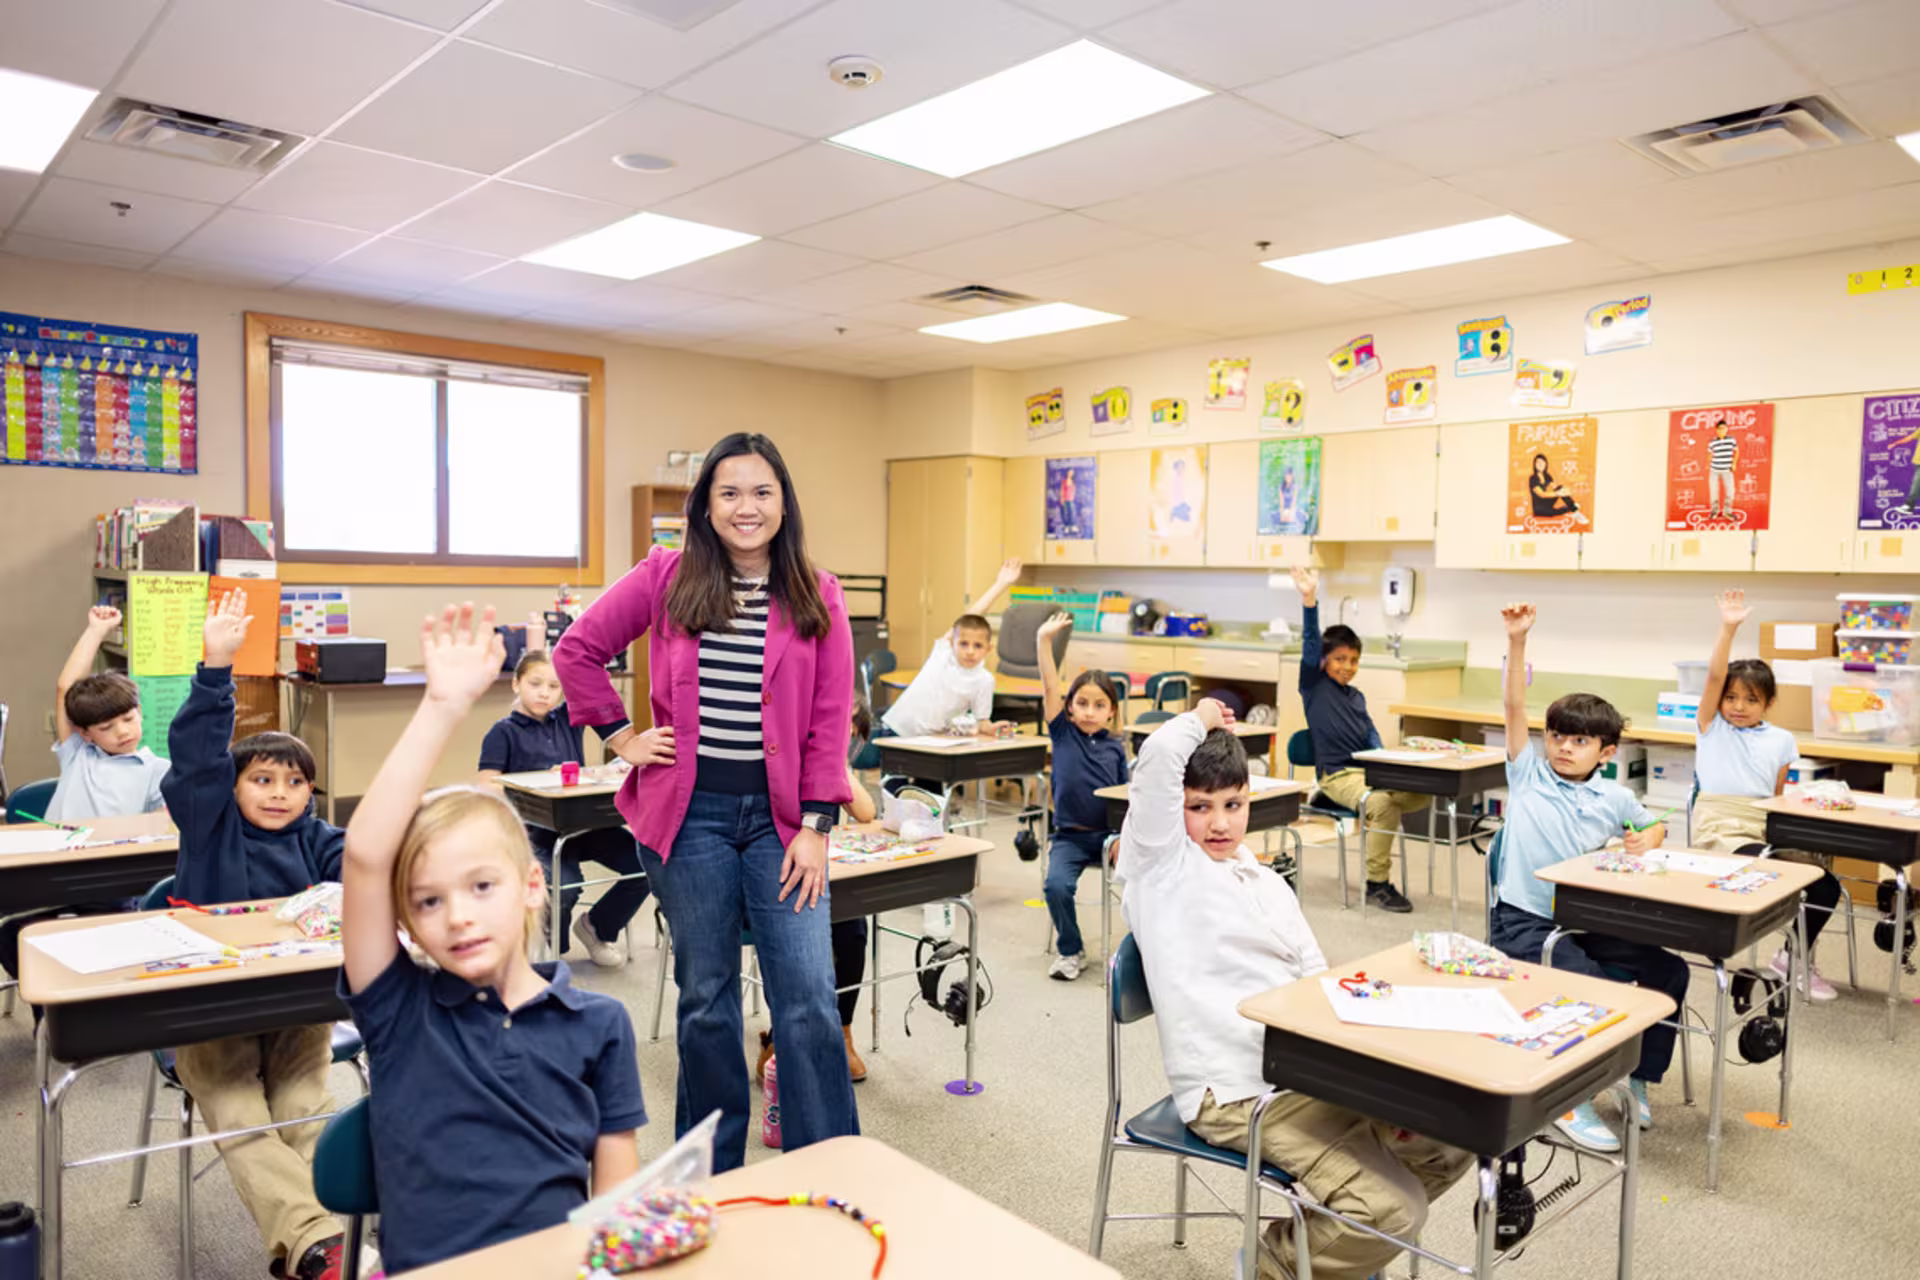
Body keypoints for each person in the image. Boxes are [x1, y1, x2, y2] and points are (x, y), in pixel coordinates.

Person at [551, 431, 858, 1171]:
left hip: (784, 826)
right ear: (706, 504)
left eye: (762, 492)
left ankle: (831, 1168)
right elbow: (576, 650)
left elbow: (828, 717)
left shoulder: (819, 593)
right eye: (729, 493)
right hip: (690, 823)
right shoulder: (666, 576)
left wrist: (817, 824)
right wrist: (621, 736)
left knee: (809, 999)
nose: (746, 507)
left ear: (784, 502)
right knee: (706, 1000)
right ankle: (710, 1175)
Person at [341, 603, 643, 1276]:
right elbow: (364, 856)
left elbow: (615, 1206)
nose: (457, 916)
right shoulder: (398, 1010)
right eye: (428, 900)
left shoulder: (601, 1025)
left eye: (482, 887)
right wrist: (442, 708)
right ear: (406, 919)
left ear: (533, 886)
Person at [1122, 699, 1469, 1280]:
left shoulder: (1259, 875)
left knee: (1452, 1137)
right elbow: (1158, 758)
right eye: (1198, 808)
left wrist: (1374, 1079)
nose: (1219, 823)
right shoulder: (1160, 866)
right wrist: (1204, 714)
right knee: (1393, 1212)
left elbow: (1314, 976)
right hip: (1232, 1091)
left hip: (1301, 1069)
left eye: (1232, 805)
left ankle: (1332, 1233)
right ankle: (1275, 1262)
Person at [162, 588, 348, 1280]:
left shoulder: (318, 836)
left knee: (304, 1104)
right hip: (212, 1008)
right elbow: (198, 760)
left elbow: (362, 871)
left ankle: (325, 1240)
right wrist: (216, 668)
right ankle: (318, 1243)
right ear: (232, 789)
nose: (278, 792)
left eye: (294, 782)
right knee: (240, 1107)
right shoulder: (209, 827)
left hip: (297, 1006)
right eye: (261, 779)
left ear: (310, 792)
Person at [1490, 602, 1692, 1154]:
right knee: (1591, 989)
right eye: (1556, 735)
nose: (1561, 746)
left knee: (1669, 973)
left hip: (1585, 919)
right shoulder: (1527, 774)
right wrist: (1517, 642)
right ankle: (1569, 1099)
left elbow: (1653, 826)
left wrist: (1647, 838)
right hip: (1523, 923)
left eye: (1577, 741)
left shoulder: (1615, 795)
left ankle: (1637, 1078)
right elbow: (1512, 704)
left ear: (1606, 752)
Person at [1693, 589, 1844, 1001]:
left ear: (1769, 702)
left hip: (1762, 824)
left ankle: (1792, 957)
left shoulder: (1781, 740)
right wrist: (1729, 627)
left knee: (1824, 884)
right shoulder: (1712, 727)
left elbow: (1776, 796)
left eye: (1751, 699)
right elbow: (1711, 677)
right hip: (1720, 828)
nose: (1738, 706)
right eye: (1731, 697)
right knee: (1770, 872)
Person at [476, 616, 649, 968]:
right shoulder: (503, 732)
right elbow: (487, 787)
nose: (545, 693)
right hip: (538, 834)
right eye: (535, 684)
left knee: (646, 866)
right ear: (516, 685)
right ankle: (547, 953)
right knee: (563, 888)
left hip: (584, 824)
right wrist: (538, 781)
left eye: (554, 687)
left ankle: (599, 928)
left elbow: (589, 681)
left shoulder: (568, 718)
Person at [760, 703, 880, 1087]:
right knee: (786, 945)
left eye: (850, 728)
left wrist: (837, 765)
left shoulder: (835, 768)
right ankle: (780, 1035)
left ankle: (842, 1032)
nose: (840, 731)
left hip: (826, 877)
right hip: (776, 871)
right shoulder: (784, 754)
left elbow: (866, 812)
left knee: (854, 933)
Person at [1293, 566, 1419, 913]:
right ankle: (1377, 883)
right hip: (1336, 774)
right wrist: (1309, 600)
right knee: (1382, 805)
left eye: (1353, 660)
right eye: (1339, 659)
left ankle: (1385, 798)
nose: (1347, 666)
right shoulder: (1314, 686)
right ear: (1322, 661)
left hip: (1366, 771)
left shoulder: (1357, 697)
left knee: (1420, 789)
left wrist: (1388, 763)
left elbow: (1371, 735)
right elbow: (1308, 643)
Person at [1035, 611, 1127, 981]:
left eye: (1100, 705)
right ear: (1069, 706)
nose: (1090, 711)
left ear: (1112, 711)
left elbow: (1127, 799)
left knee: (1153, 880)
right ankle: (1071, 950)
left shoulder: (1117, 748)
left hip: (1111, 837)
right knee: (1055, 886)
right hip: (1070, 836)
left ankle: (1148, 951)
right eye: (1082, 703)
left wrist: (1123, 837)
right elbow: (1048, 685)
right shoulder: (1062, 734)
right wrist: (1044, 640)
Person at [45, 605, 169, 822]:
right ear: (85, 733)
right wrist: (96, 631)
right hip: (60, 853)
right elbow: (66, 687)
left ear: (139, 712)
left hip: (113, 853)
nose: (122, 732)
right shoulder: (78, 753)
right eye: (106, 727)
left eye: (128, 719)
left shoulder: (157, 770)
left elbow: (158, 828)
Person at [879, 556, 1023, 741]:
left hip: (931, 741)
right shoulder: (944, 654)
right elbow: (969, 617)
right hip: (896, 730)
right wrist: (1000, 585)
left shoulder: (984, 681)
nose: (970, 651)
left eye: (978, 646)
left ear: (988, 649)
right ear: (952, 643)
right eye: (963, 644)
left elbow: (982, 723)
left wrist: (993, 728)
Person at [1528, 453, 1589, 525]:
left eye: (1543, 462)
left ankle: (1574, 510)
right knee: (1556, 511)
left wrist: (1565, 491)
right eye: (1538, 462)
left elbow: (1555, 487)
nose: (1541, 464)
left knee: (1560, 488)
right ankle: (1573, 509)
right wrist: (1558, 493)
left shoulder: (1547, 476)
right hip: (1539, 508)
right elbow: (1542, 494)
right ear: (1535, 464)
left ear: (1546, 464)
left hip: (1547, 503)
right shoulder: (1533, 478)